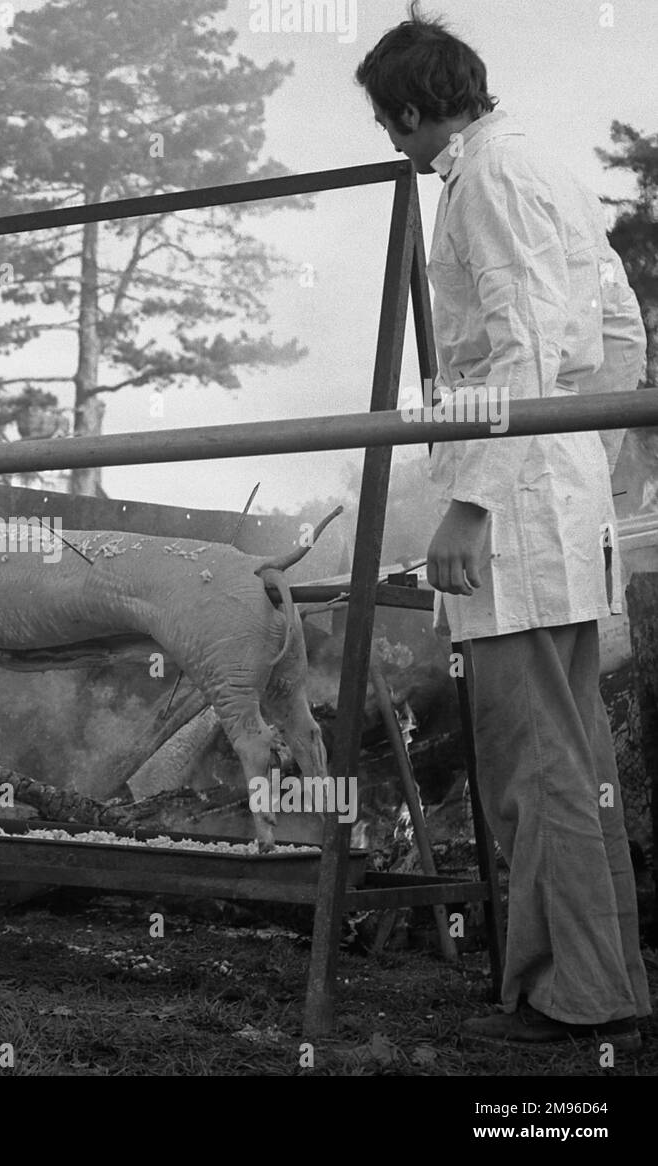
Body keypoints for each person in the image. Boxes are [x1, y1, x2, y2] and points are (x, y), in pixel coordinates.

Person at [355, 5, 650, 1050]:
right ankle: (593, 982)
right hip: (559, 485)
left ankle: (570, 998)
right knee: (571, 755)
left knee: (535, 762)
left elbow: (520, 346)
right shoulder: (549, 168)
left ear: (409, 109)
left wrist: (474, 501)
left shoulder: (481, 179)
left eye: (390, 125)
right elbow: (618, 333)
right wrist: (597, 468)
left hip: (517, 504)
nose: (393, 143)